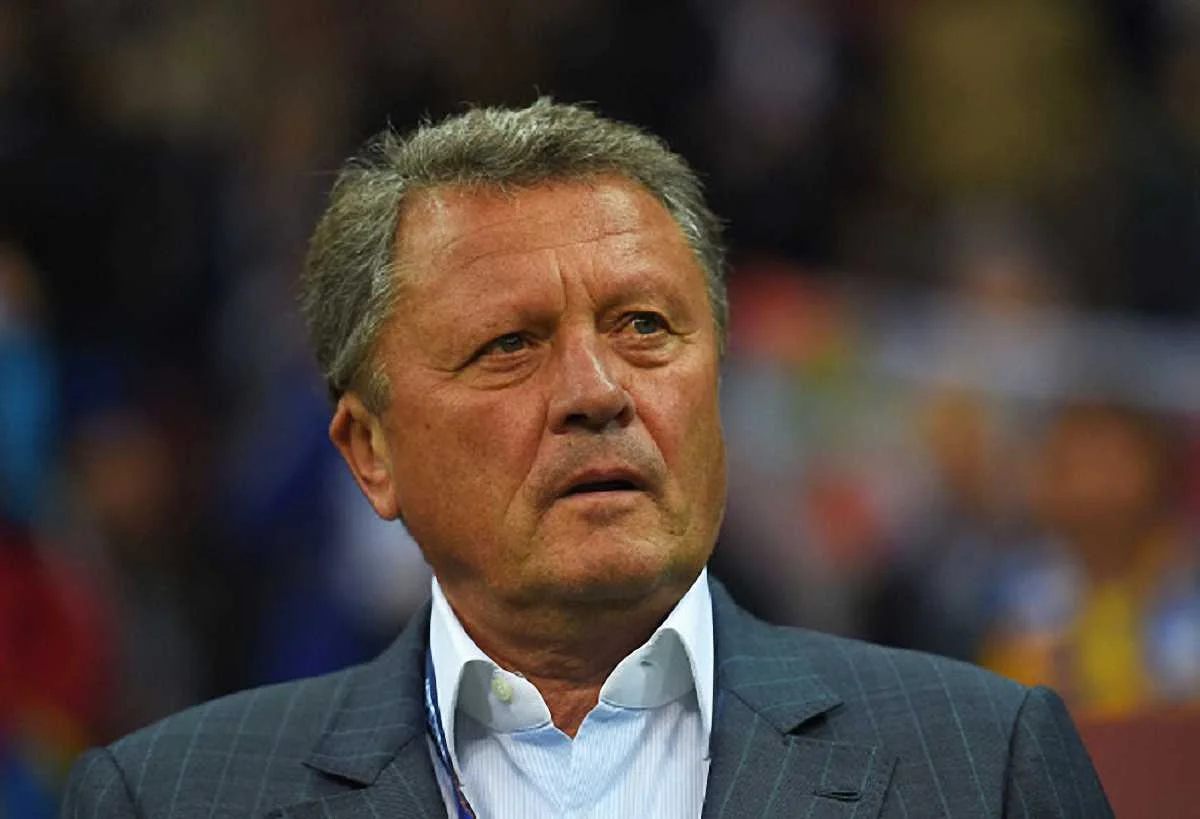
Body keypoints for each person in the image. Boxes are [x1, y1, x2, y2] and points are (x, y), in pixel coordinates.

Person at [61, 100, 1111, 818]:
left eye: (645, 326)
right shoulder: (173, 798)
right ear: (370, 452)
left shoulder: (983, 763)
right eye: (509, 345)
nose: (598, 392)